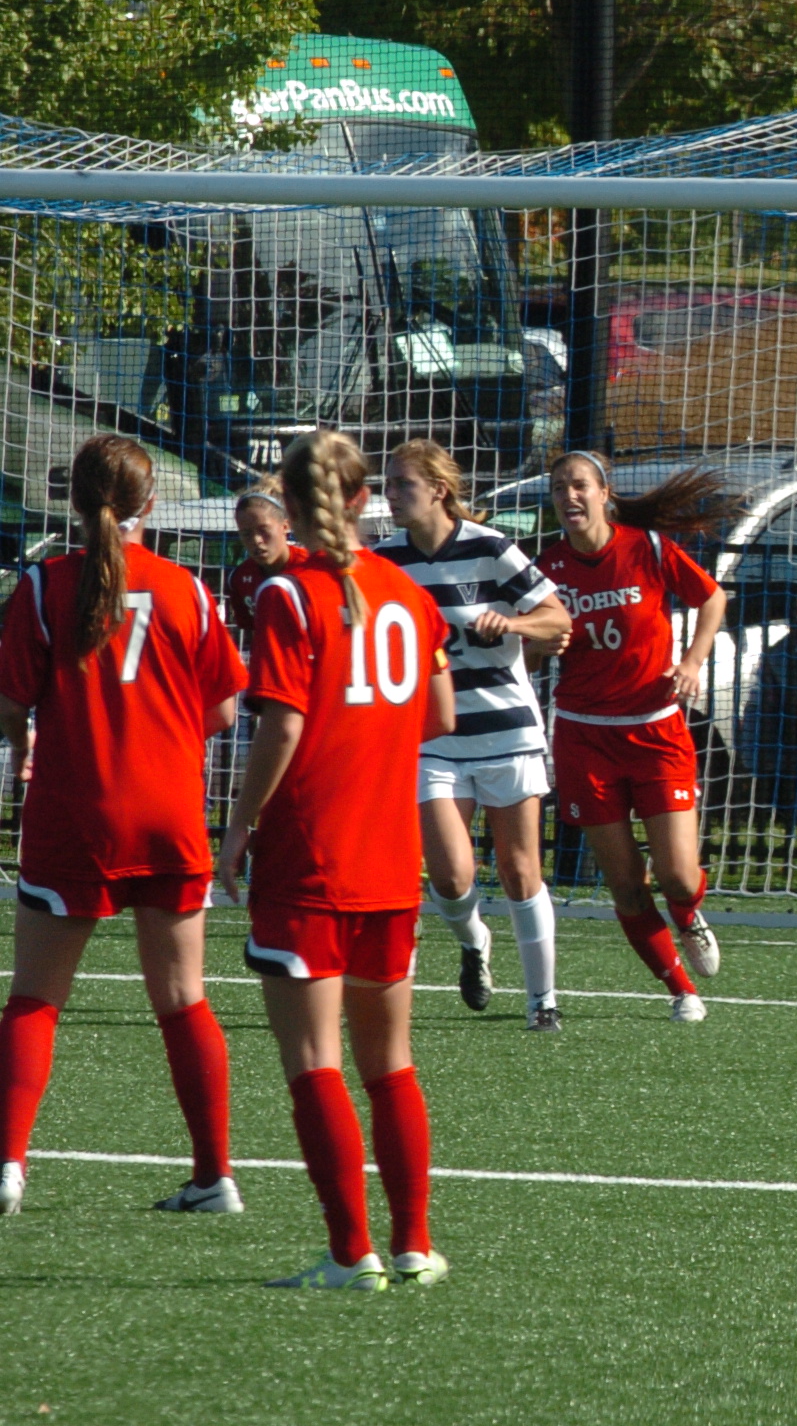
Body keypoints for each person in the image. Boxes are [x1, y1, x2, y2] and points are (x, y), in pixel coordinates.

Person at [218, 430, 456, 1290]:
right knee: (390, 1064)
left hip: (313, 855)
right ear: (364, 499)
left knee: (315, 1061)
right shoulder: (408, 593)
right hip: (390, 857)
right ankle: (415, 1245)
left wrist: (237, 826)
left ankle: (351, 1253)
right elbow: (440, 715)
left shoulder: (289, 594)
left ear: (290, 504)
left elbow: (281, 724)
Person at [0, 436, 249, 1217]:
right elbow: (224, 709)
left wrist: (27, 744)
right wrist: (158, 732)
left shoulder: (43, 585)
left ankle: (8, 1165)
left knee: (35, 1000)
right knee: (183, 999)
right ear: (150, 504)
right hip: (169, 812)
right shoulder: (188, 589)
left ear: (73, 501)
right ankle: (214, 1176)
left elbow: (11, 702)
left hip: (76, 810)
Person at [376, 440, 573, 1031]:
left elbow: (558, 618)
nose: (390, 495)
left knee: (520, 870)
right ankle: (473, 940)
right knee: (449, 876)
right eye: (387, 483)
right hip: (433, 738)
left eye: (403, 484)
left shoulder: (491, 548)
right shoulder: (385, 561)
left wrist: (511, 622)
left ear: (439, 490)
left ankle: (542, 1001)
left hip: (506, 732)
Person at [535, 452, 731, 1021]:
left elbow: (712, 597)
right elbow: (527, 651)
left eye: (579, 485)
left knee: (678, 877)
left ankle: (688, 915)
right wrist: (537, 643)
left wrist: (692, 661)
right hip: (585, 737)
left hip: (655, 730)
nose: (568, 496)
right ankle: (681, 991)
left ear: (604, 493)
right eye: (558, 488)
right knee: (625, 884)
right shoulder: (545, 569)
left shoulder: (647, 548)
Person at [223, 489, 307, 637]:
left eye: (263, 530)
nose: (256, 540)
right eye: (246, 534)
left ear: (285, 527)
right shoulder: (239, 579)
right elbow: (252, 631)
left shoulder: (311, 568)